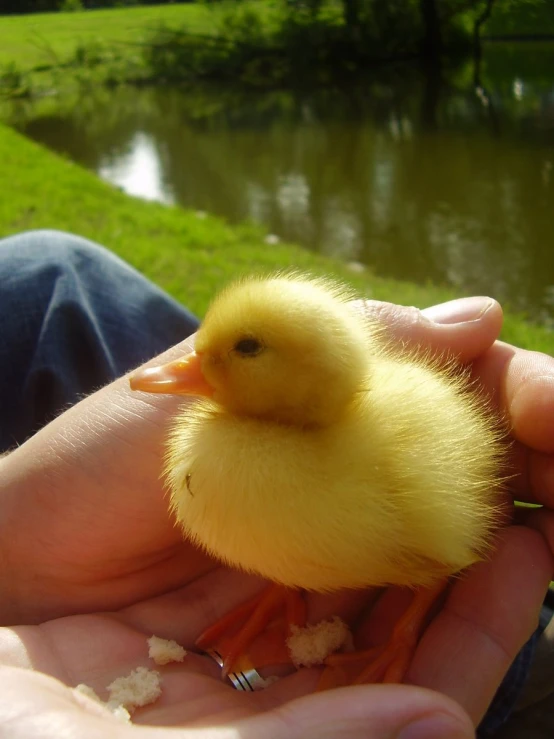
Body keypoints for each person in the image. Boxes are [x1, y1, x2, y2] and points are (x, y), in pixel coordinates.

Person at [0, 229, 553, 739]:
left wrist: (401, 636)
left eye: (243, 350)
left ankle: (410, 632)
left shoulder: (376, 446)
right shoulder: (230, 445)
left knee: (51, 267)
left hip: (431, 520)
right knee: (51, 266)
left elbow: (446, 534)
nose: (191, 364)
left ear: (314, 368)